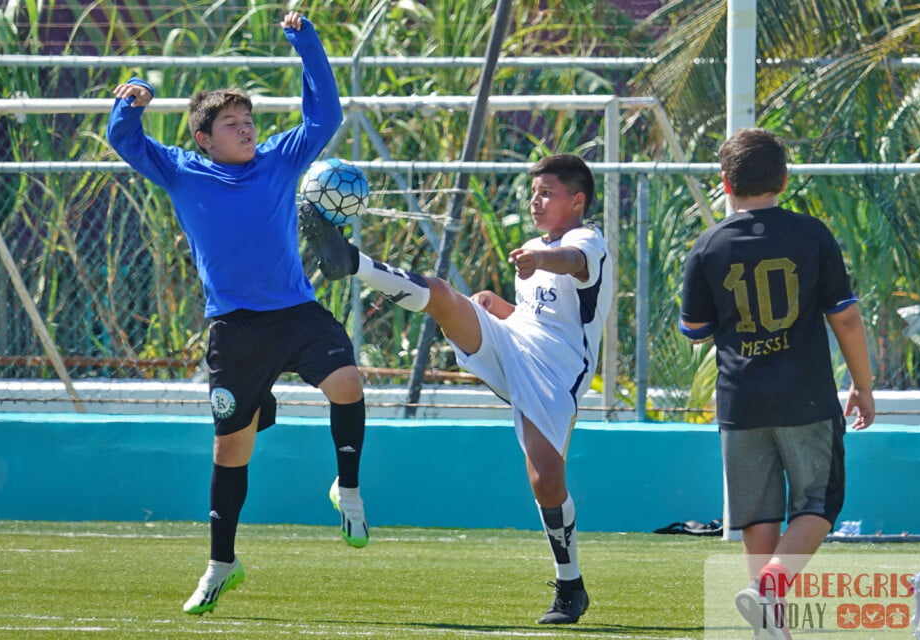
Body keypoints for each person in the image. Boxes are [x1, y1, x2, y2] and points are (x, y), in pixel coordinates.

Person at [106, 11, 371, 616]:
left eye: (249, 121)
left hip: (296, 314)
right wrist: (134, 97)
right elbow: (124, 139)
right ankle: (222, 564)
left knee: (349, 384)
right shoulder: (180, 169)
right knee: (232, 452)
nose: (246, 130)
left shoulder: (277, 161)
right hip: (235, 330)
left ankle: (347, 487)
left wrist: (305, 41)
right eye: (232, 124)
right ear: (204, 137)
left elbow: (323, 115)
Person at [301, 153, 612, 625]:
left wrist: (541, 258)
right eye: (533, 192)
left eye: (546, 192)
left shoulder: (587, 240)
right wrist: (497, 308)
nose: (535, 200)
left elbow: (570, 263)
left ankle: (570, 585)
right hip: (516, 347)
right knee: (445, 297)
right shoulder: (531, 245)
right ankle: (352, 262)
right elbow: (537, 319)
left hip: (558, 371)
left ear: (577, 200)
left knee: (545, 477)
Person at [678, 128, 875, 639]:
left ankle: (769, 623)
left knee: (757, 513)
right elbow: (847, 319)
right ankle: (768, 593)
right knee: (819, 503)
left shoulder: (708, 246)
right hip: (805, 397)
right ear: (784, 180)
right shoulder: (811, 234)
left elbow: (694, 332)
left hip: (740, 403)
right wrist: (864, 385)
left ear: (725, 183)